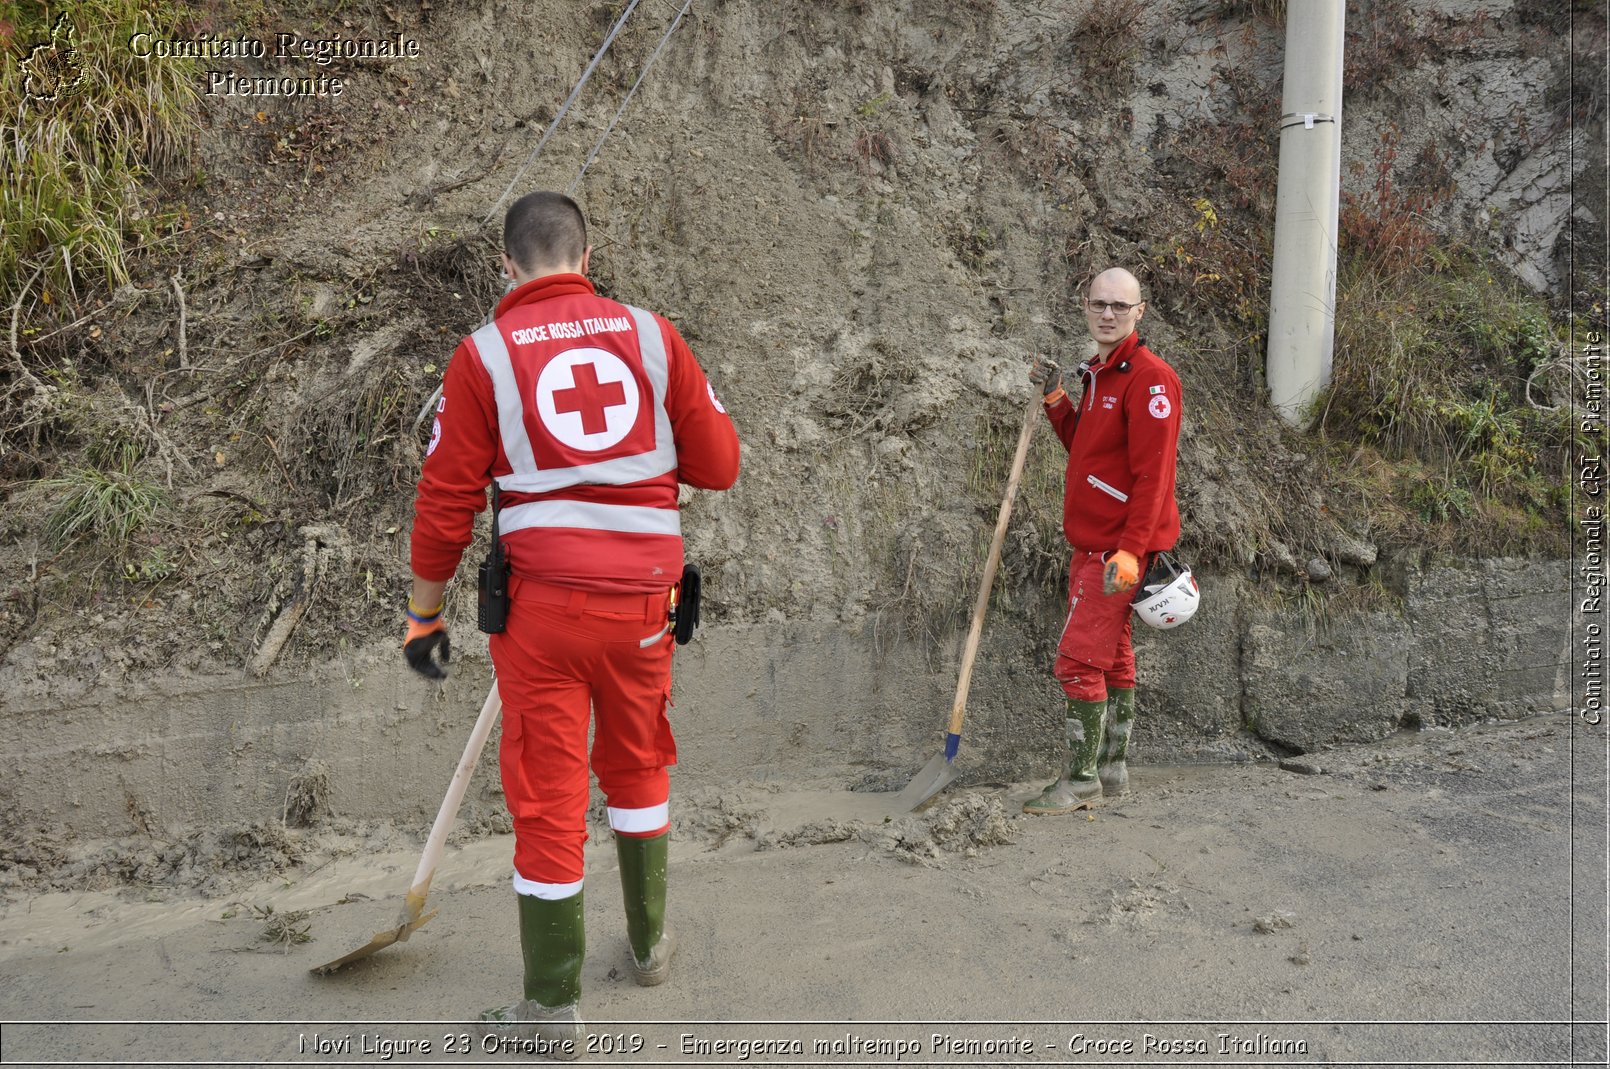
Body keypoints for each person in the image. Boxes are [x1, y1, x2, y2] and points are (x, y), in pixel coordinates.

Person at [403, 191, 740, 1050]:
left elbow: (445, 500)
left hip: (544, 617)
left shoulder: (482, 355)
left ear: (507, 267)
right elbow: (719, 464)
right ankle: (651, 946)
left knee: (548, 797)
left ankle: (551, 1011)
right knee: (637, 761)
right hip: (644, 610)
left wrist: (425, 612)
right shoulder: (652, 336)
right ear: (587, 257)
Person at [1024, 267, 1182, 815]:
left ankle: (1082, 779)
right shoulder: (1099, 374)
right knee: (1112, 662)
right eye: (1099, 304)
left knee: (1075, 662)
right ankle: (1111, 772)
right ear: (1086, 308)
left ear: (1140, 312)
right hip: (1095, 544)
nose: (1108, 313)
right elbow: (1086, 450)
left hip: (1115, 550)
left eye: (1120, 305)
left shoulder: (1149, 380)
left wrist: (1131, 551)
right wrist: (1055, 400)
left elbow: (1153, 475)